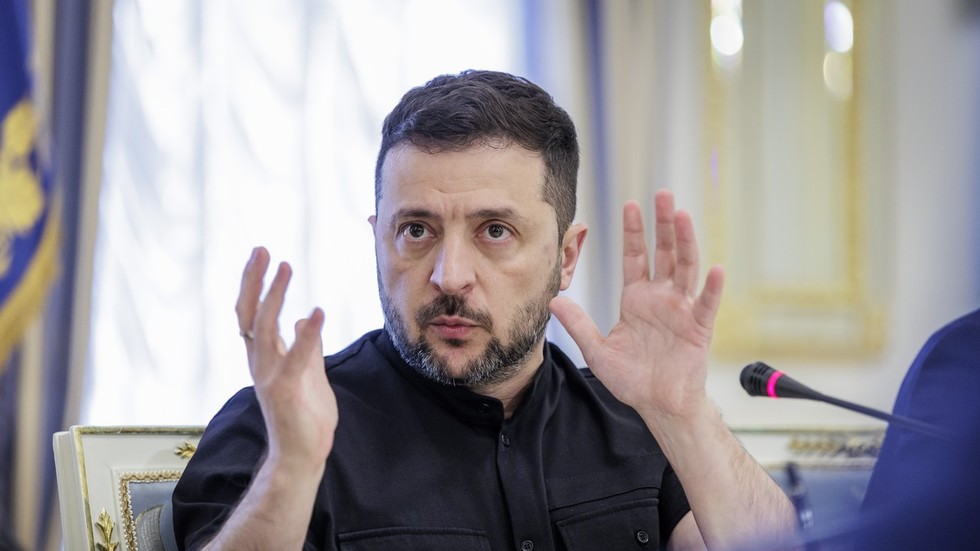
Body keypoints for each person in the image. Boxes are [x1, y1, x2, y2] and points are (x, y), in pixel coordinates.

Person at [172, 70, 796, 551]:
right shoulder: (278, 428)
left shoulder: (638, 422)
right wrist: (291, 471)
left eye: (495, 231)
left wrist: (685, 415)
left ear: (566, 257)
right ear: (378, 240)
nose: (449, 276)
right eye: (416, 230)